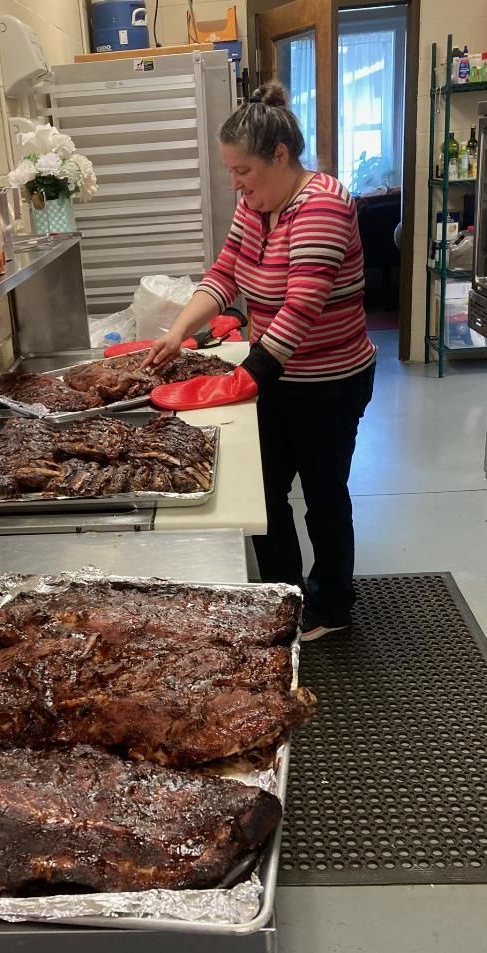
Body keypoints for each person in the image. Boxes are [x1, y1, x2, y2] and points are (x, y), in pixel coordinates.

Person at [144, 81, 376, 642]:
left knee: (322, 494)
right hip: (277, 373)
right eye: (230, 172)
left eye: (242, 170)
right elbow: (223, 276)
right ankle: (282, 597)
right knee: (264, 492)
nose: (236, 185)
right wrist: (178, 331)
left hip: (328, 381)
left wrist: (241, 378)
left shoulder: (322, 205)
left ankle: (332, 604)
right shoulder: (257, 207)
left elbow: (301, 306)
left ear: (280, 156)